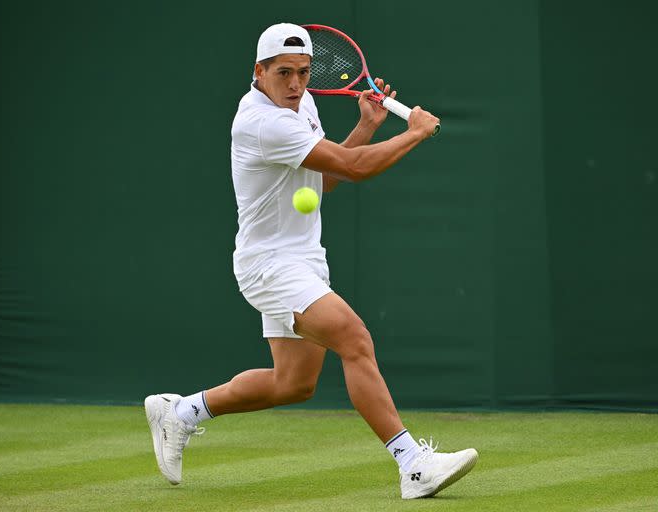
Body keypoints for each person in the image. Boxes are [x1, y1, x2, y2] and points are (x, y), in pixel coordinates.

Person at [145, 22, 478, 500]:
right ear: (257, 72)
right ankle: (413, 464)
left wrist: (365, 126)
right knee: (354, 337)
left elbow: (325, 181)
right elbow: (354, 168)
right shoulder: (262, 121)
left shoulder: (300, 105)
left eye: (303, 73)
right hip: (269, 264)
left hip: (303, 259)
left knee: (292, 384)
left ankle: (181, 413)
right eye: (284, 73)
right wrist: (416, 133)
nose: (297, 84)